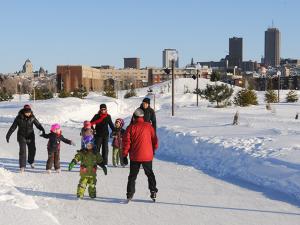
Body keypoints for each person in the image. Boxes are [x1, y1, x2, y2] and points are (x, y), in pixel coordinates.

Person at [122, 108, 159, 202]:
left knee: (132, 176)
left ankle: (129, 194)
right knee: (149, 173)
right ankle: (153, 190)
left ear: (134, 117)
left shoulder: (130, 127)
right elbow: (155, 140)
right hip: (147, 156)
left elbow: (126, 143)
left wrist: (124, 155)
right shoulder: (149, 126)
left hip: (135, 156)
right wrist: (153, 150)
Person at [6, 104, 45, 172]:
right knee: (23, 151)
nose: (28, 113)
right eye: (27, 112)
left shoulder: (32, 117)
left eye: (29, 112)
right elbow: (13, 127)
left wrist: (42, 130)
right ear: (24, 111)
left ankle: (31, 161)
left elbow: (38, 125)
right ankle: (22, 166)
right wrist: (8, 135)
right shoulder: (18, 118)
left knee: (32, 150)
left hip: (30, 136)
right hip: (21, 136)